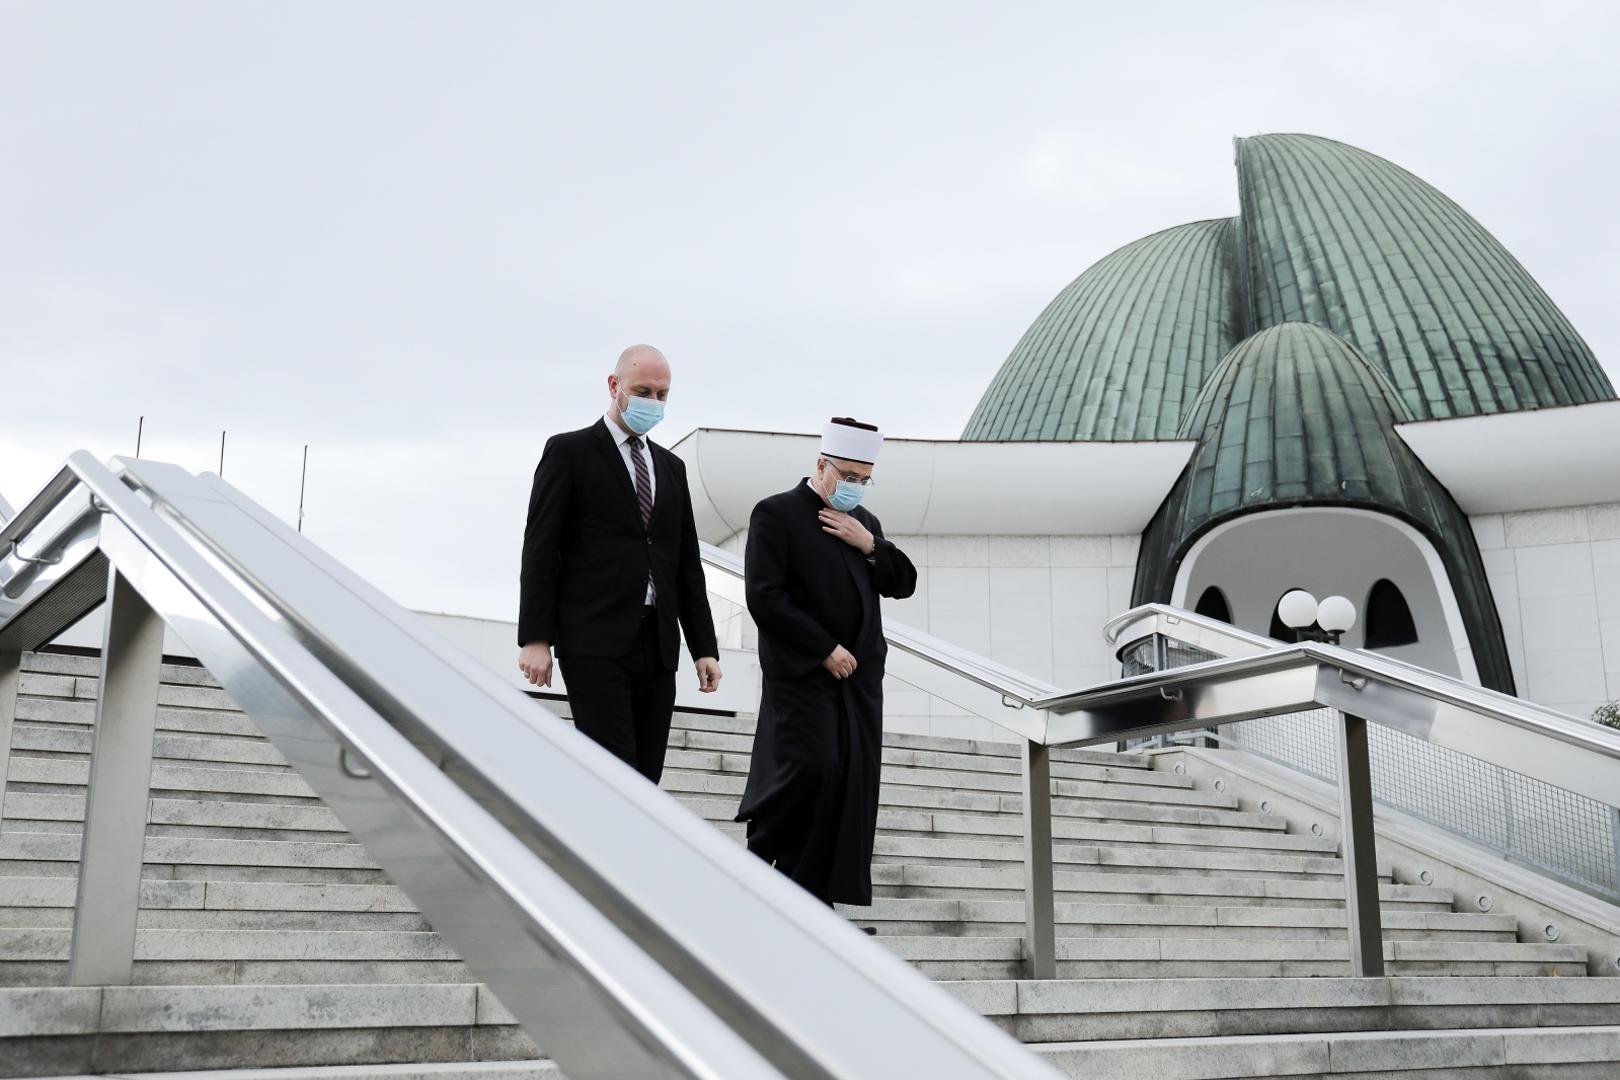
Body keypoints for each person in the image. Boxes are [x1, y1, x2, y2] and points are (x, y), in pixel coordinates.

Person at [517, 344, 722, 783]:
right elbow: (541, 548)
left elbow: (686, 563)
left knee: (645, 778)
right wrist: (536, 638)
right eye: (642, 390)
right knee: (612, 771)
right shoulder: (568, 453)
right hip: (593, 640)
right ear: (614, 386)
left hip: (658, 644)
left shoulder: (672, 468)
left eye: (662, 394)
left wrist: (704, 646)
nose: (653, 401)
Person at [736, 417, 916, 910]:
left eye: (864, 478)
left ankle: (817, 899)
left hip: (857, 685)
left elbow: (903, 582)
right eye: (848, 475)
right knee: (807, 770)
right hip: (803, 677)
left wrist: (870, 546)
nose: (855, 486)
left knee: (844, 781)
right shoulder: (776, 514)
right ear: (821, 465)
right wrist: (822, 648)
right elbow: (765, 596)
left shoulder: (867, 525)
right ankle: (762, 866)